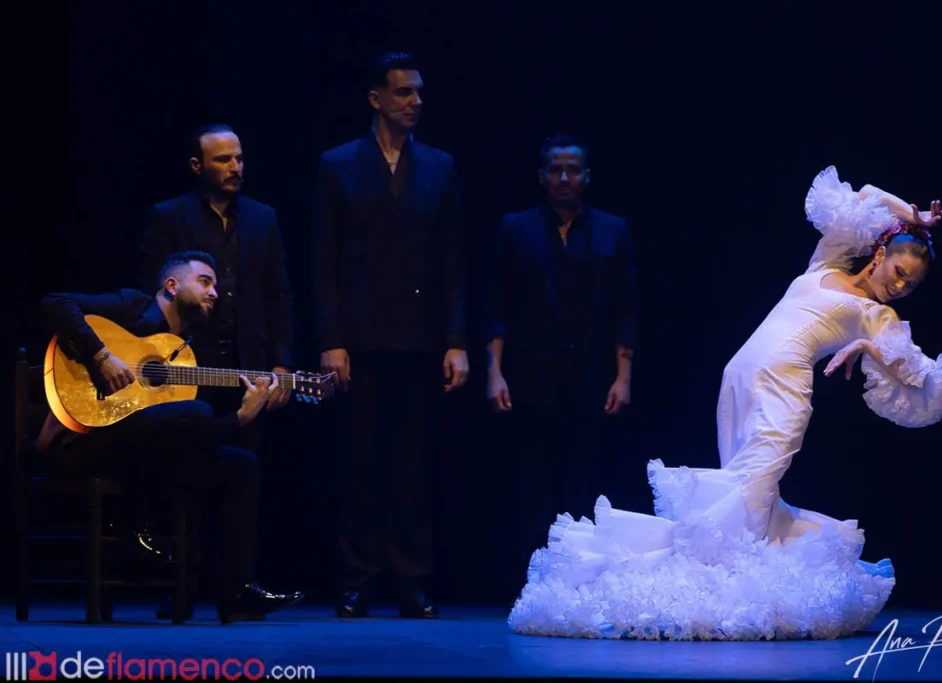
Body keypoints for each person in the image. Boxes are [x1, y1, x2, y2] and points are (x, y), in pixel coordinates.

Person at [507, 165, 942, 641]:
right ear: (880, 253)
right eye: (900, 272)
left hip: (785, 389)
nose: (901, 287)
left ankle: (711, 595)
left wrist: (868, 346)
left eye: (912, 285)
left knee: (748, 493)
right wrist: (913, 216)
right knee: (740, 490)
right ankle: (717, 588)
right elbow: (864, 193)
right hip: (741, 378)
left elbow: (927, 382)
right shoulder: (828, 264)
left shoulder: (879, 316)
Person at [35, 251, 305, 624]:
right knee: (196, 413)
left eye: (216, 286)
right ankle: (133, 526)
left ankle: (236, 592)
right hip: (83, 445)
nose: (215, 293)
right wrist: (100, 357)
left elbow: (192, 435)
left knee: (240, 465)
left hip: (142, 458)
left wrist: (242, 417)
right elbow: (55, 302)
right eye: (205, 282)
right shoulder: (132, 307)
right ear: (172, 285)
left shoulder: (189, 351)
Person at [312, 51, 468, 619]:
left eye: (419, 92)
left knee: (412, 466)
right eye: (404, 92)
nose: (415, 102)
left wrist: (456, 339)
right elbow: (324, 259)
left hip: (420, 339)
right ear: (376, 99)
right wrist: (332, 338)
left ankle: (411, 580)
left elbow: (453, 260)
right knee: (360, 463)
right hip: (359, 338)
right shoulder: (339, 164)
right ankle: (357, 578)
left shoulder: (440, 166)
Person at [483, 134, 637, 598]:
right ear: (542, 176)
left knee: (584, 481)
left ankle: (580, 587)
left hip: (591, 375)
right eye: (556, 170)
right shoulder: (516, 229)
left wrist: (623, 376)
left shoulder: (612, 230)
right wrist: (495, 371)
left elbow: (625, 308)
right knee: (532, 483)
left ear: (586, 176)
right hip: (530, 375)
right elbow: (496, 303)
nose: (564, 178)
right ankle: (531, 585)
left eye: (573, 170)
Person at [138, 123, 295, 422]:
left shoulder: (262, 218)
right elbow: (151, 292)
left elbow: (277, 295)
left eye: (239, 158)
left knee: (246, 446)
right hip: (188, 363)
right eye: (223, 160)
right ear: (196, 166)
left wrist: (282, 363)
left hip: (249, 364)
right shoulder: (169, 217)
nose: (235, 167)